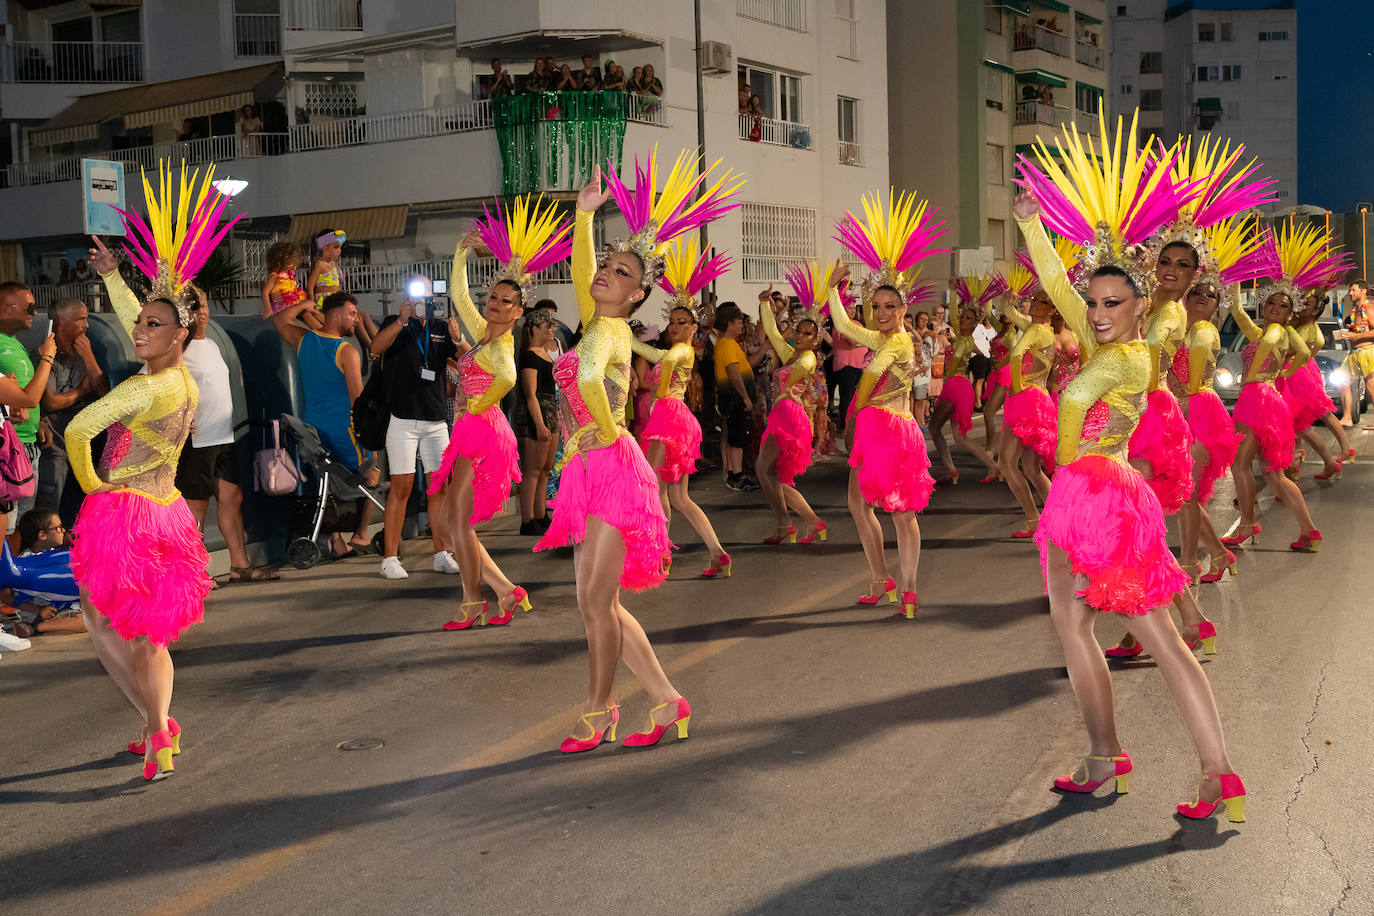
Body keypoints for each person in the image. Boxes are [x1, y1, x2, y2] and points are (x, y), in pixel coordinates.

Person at [1016, 113, 1246, 821]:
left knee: (1156, 637)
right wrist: (1031, 227)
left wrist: (1064, 470)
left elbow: (1074, 419)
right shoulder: (1105, 339)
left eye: (1113, 302)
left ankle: (1212, 771)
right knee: (1072, 623)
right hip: (1088, 494)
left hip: (1100, 496)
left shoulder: (1128, 355)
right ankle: (1104, 754)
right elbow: (1058, 288)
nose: (1098, 311)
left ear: (1142, 304)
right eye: (1094, 303)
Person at [536, 153, 740, 753]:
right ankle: (666, 700)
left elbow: (595, 383)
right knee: (599, 602)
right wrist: (581, 217)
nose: (605, 274)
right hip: (590, 467)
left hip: (610, 466)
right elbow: (579, 277)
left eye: (621, 273)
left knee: (594, 603)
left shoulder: (612, 332)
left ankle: (599, 711)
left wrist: (595, 429)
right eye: (606, 265)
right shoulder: (596, 321)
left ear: (637, 294)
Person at [76, 163, 232, 781]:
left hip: (126, 512)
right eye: (139, 321)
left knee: (107, 620)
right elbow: (135, 318)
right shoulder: (181, 377)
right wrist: (116, 277)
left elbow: (81, 428)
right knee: (149, 634)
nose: (138, 329)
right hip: (165, 512)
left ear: (179, 334)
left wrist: (93, 486)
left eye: (151, 325)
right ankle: (158, 728)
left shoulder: (143, 392)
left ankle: (156, 725)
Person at [427, 199, 569, 628]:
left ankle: (473, 602)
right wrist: (461, 253)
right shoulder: (482, 335)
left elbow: (507, 379)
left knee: (458, 523)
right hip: (471, 429)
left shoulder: (502, 348)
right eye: (494, 297)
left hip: (483, 433)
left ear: (518, 311)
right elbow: (457, 295)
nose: (496, 304)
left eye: (507, 302)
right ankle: (506, 591)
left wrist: (478, 401)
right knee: (455, 526)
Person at [832, 189, 948, 618]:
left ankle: (902, 583)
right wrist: (833, 289)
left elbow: (869, 373)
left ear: (904, 308)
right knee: (866, 506)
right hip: (886, 428)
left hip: (882, 427)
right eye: (875, 306)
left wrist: (851, 419)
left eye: (888, 307)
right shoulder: (885, 335)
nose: (880, 313)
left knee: (894, 513)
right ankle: (888, 580)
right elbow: (844, 323)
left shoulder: (898, 340)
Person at [1222, 225, 1328, 554]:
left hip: (1257, 399)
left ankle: (1248, 523)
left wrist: (1252, 377)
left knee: (1241, 465)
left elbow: (1295, 348)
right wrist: (1234, 276)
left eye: (1282, 306)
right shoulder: (1265, 331)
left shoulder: (1274, 333)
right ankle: (1309, 531)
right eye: (1271, 303)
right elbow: (1238, 312)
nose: (1274, 308)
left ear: (1289, 313)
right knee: (1274, 474)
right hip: (1269, 400)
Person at [632, 240, 732, 576]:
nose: (673, 326)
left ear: (694, 328)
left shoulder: (683, 352)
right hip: (673, 417)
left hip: (669, 416)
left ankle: (660, 554)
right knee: (677, 497)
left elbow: (667, 361)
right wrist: (620, 329)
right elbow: (649, 353)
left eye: (681, 322)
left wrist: (658, 392)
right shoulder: (671, 351)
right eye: (671, 321)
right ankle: (717, 552)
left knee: (655, 486)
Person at [175, 285, 275, 584]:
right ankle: (192, 572)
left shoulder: (212, 344)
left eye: (204, 305)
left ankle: (239, 565)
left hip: (224, 436)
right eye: (195, 307)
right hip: (197, 439)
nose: (202, 311)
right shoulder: (178, 348)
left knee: (232, 498)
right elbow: (152, 380)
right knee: (197, 507)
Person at [273, 292, 378, 559]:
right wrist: (370, 443)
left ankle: (336, 539)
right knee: (373, 473)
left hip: (313, 431)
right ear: (336, 315)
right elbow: (358, 400)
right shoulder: (347, 351)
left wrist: (304, 305)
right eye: (352, 313)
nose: (356, 319)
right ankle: (362, 534)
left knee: (327, 478)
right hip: (344, 430)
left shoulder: (304, 340)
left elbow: (280, 320)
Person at [369, 281, 461, 579]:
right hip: (402, 418)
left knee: (440, 486)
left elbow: (459, 361)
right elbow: (375, 347)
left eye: (428, 294)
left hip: (435, 419)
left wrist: (457, 338)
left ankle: (441, 551)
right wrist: (401, 319)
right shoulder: (395, 324)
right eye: (415, 294)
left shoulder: (439, 325)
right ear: (405, 297)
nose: (423, 299)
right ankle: (390, 558)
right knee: (402, 487)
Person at [755, 271, 827, 547]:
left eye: (807, 333)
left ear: (816, 340)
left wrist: (786, 391)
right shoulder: (794, 353)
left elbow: (798, 374)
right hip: (783, 413)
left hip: (790, 415)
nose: (800, 336)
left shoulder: (807, 359)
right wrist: (764, 304)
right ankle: (810, 521)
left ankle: (785, 523)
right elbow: (773, 334)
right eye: (798, 331)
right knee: (773, 475)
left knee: (764, 470)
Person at [929, 273, 1002, 484]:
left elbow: (958, 362)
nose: (962, 319)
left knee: (945, 431)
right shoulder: (962, 337)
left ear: (975, 323)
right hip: (956, 386)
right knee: (954, 435)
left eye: (968, 318)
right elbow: (953, 315)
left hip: (957, 387)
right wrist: (952, 291)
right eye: (962, 317)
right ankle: (954, 469)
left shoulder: (964, 340)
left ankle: (990, 466)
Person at [38, 298, 107, 519]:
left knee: (83, 504)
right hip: (55, 444)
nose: (86, 325)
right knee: (51, 501)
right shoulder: (46, 354)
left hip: (83, 443)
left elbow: (105, 393)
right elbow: (51, 402)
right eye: (81, 319)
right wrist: (81, 391)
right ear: (61, 322)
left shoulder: (85, 351)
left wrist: (88, 357)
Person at [998, 284, 1057, 537]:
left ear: (1053, 310)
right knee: (1032, 468)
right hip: (1040, 399)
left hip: (1027, 399)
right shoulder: (1043, 330)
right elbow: (1009, 313)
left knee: (1007, 464)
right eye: (1034, 299)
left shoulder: (1035, 330)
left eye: (1042, 302)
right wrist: (1007, 300)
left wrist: (1019, 387)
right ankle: (1058, 518)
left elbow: (1016, 356)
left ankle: (1033, 519)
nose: (1034, 303)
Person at [0, 281, 54, 533]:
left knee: (23, 526)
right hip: (10, 450)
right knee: (11, 526)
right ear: (7, 309)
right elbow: (27, 397)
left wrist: (39, 420)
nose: (35, 313)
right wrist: (47, 358)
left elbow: (23, 394)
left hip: (27, 445)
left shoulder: (14, 343)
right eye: (29, 308)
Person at [1287, 288, 1356, 477]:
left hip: (1295, 375)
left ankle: (1296, 470)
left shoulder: (1305, 329)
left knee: (1301, 424)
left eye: (1305, 304)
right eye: (1299, 302)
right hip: (1302, 372)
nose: (1300, 306)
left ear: (1315, 310)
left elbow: (1290, 352)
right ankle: (1295, 469)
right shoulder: (1303, 325)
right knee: (1302, 423)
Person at [3, 507, 85, 637]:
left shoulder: (53, 552)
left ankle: (41, 627)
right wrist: (38, 609)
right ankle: (35, 627)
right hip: (37, 613)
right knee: (85, 622)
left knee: (93, 616)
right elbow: (6, 596)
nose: (63, 530)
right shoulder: (25, 560)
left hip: (59, 606)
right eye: (58, 527)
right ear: (42, 535)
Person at [513, 308, 560, 535]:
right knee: (531, 470)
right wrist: (540, 424)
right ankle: (527, 519)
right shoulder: (530, 355)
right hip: (536, 415)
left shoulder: (544, 354)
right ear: (534, 329)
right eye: (547, 326)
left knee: (545, 469)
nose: (552, 330)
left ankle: (540, 514)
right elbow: (530, 394)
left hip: (550, 412)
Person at [713, 303, 758, 491]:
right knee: (737, 438)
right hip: (735, 399)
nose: (742, 325)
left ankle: (734, 472)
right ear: (730, 324)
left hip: (734, 398)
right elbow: (733, 373)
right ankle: (737, 475)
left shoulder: (728, 344)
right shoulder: (726, 344)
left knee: (735, 437)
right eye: (739, 321)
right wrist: (746, 398)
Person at [1335, 279, 1374, 428]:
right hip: (1354, 353)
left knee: (1371, 385)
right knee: (1343, 380)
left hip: (1366, 351)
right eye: (1350, 290)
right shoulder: (1355, 311)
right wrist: (1350, 332)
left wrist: (1355, 336)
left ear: (1363, 291)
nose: (1350, 293)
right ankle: (1347, 417)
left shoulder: (1369, 309)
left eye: (1353, 290)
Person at [260, 240, 311, 321]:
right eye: (292, 263)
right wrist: (268, 309)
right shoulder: (274, 276)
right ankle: (320, 330)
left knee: (309, 313)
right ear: (281, 261)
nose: (295, 266)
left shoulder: (289, 275)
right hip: (282, 309)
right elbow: (264, 293)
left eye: (295, 263)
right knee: (306, 314)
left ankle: (321, 330)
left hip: (292, 306)